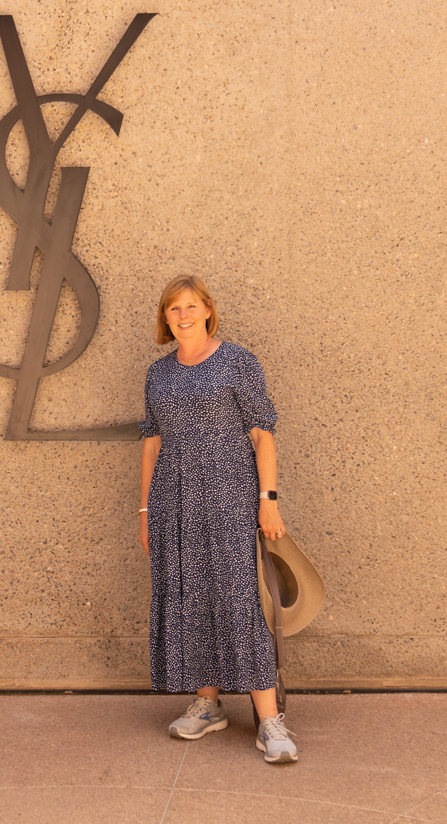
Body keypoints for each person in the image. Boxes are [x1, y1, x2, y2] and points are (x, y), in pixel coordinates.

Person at [138, 274, 298, 764]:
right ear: (165, 319)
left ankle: (270, 719)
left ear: (208, 310)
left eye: (190, 306)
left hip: (231, 494)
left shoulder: (237, 362)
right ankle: (208, 704)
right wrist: (144, 511)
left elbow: (262, 433)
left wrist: (268, 500)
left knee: (238, 596)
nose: (182, 316)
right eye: (172, 309)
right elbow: (151, 442)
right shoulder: (158, 374)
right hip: (173, 498)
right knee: (190, 594)